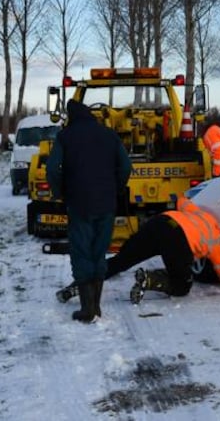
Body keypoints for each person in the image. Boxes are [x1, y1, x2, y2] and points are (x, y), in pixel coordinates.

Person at [58, 195, 220, 305]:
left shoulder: (198, 213)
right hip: (179, 241)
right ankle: (150, 279)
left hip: (160, 223)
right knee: (182, 286)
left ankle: (79, 285)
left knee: (122, 260)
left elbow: (182, 201)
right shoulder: (216, 241)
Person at [47, 99, 132, 323]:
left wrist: (59, 192)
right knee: (99, 252)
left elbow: (52, 168)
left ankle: (87, 310)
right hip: (106, 203)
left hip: (79, 203)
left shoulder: (65, 137)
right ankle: (96, 306)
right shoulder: (109, 134)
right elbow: (126, 166)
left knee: (82, 251)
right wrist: (115, 187)